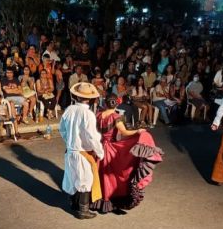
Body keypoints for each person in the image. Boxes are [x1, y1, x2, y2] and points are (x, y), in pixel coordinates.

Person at [91, 94, 163, 214]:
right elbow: (124, 132)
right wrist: (138, 131)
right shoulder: (116, 116)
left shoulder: (98, 114)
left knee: (101, 172)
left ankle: (99, 198)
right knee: (112, 175)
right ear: (117, 103)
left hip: (100, 145)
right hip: (110, 148)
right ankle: (109, 199)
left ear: (106, 103)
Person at [59, 82, 105, 219]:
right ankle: (83, 210)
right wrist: (100, 151)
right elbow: (92, 136)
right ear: (90, 99)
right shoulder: (88, 114)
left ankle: (74, 204)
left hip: (71, 150)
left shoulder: (69, 109)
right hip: (83, 151)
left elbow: (62, 129)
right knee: (85, 179)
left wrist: (69, 141)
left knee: (72, 177)